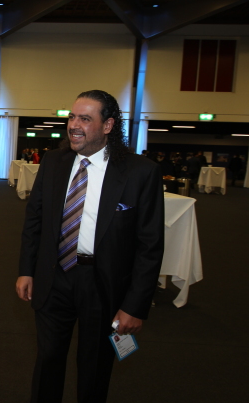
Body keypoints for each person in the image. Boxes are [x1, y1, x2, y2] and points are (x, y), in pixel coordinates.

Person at [16, 90, 164, 403]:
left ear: (108, 125)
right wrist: (27, 270)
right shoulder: (54, 162)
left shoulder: (140, 172)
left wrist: (135, 305)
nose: (73, 124)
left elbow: (150, 246)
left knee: (95, 366)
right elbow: (35, 221)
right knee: (48, 360)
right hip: (54, 278)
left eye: (85, 118)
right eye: (71, 116)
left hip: (102, 284)